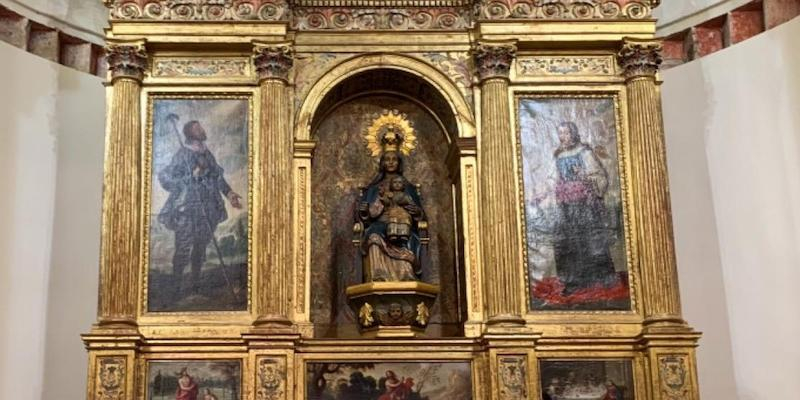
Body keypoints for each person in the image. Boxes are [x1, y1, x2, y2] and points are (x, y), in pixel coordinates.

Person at [158, 120, 242, 297]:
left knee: (200, 247)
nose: (202, 130)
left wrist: (229, 194)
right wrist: (190, 177)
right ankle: (175, 289)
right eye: (198, 128)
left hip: (208, 207)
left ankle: (195, 286)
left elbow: (217, 177)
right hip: (188, 207)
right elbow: (166, 177)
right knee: (183, 248)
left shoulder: (207, 153)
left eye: (201, 127)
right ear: (190, 133)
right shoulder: (182, 154)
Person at [551, 121, 618, 295]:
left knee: (592, 240)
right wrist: (556, 186)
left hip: (586, 205)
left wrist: (584, 175)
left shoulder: (585, 152)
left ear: (573, 134)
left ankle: (602, 278)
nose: (563, 137)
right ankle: (575, 281)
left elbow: (600, 177)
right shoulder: (558, 155)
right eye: (560, 133)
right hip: (567, 205)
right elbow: (554, 178)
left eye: (566, 133)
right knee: (570, 242)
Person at [356, 150, 425, 282]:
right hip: (379, 224)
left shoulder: (408, 188)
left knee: (405, 237)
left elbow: (420, 213)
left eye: (394, 159)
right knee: (373, 237)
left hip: (404, 225)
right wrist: (364, 212)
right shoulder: (374, 188)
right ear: (382, 163)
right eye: (387, 159)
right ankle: (378, 275)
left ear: (399, 163)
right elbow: (366, 215)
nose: (391, 162)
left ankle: (405, 275)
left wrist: (416, 212)